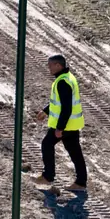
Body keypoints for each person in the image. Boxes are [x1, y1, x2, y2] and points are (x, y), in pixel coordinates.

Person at [33, 54, 87, 192]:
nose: (49, 68)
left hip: (66, 125)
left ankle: (48, 176)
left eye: (50, 65)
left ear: (58, 66)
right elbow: (59, 102)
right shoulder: (68, 78)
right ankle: (81, 182)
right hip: (72, 124)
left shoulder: (62, 82)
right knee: (75, 152)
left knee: (47, 144)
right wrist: (46, 111)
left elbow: (66, 107)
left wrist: (59, 128)